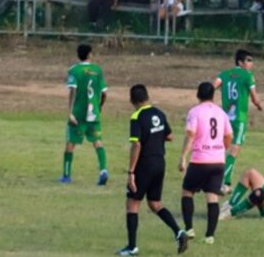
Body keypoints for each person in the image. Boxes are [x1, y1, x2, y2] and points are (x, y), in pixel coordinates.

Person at [119, 84, 188, 256]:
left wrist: (131, 173)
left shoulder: (136, 117)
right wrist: (156, 137)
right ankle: (179, 232)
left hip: (145, 164)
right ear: (147, 97)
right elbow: (170, 135)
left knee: (132, 203)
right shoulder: (159, 112)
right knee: (155, 203)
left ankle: (132, 247)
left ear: (132, 100)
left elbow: (136, 143)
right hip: (160, 163)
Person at [179, 82, 232, 245]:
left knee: (187, 192)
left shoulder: (195, 111)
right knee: (212, 197)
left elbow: (190, 134)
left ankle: (189, 228)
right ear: (213, 96)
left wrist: (183, 156)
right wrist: (222, 148)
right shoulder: (221, 113)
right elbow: (229, 134)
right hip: (218, 161)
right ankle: (210, 236)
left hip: (200, 160)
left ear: (198, 95)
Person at [212, 49, 262, 191]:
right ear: (240, 62)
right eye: (248, 60)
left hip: (224, 118)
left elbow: (212, 86)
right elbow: (254, 98)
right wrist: (259, 105)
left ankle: (214, 179)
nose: (251, 63)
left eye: (252, 60)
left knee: (221, 149)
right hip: (239, 119)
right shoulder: (248, 76)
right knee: (233, 151)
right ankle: (224, 183)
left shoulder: (224, 74)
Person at [60, 43, 109, 185]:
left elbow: (73, 91)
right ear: (89, 55)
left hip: (78, 114)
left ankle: (66, 175)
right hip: (93, 113)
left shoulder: (73, 70)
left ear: (78, 55)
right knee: (97, 142)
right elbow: (104, 93)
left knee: (71, 143)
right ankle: (103, 170)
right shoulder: (97, 70)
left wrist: (70, 113)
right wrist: (99, 106)